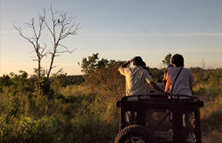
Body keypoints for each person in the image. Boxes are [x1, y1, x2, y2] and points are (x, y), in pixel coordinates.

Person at [164, 54, 194, 143]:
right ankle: (184, 136)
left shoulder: (170, 70)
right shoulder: (188, 71)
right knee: (186, 118)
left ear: (173, 62)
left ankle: (176, 136)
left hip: (175, 98)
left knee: (175, 118)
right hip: (187, 97)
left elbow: (168, 84)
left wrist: (166, 93)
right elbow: (190, 85)